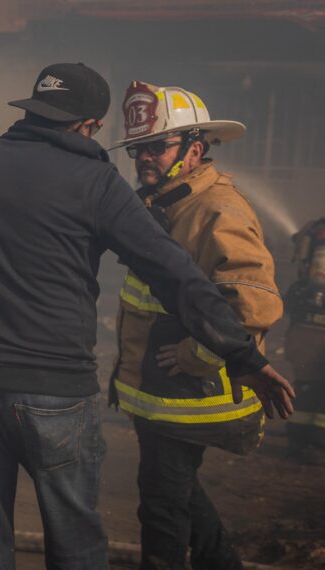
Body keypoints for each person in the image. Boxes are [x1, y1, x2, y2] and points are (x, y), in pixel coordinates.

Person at [0, 63, 296, 569]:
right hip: (53, 392)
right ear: (92, 126)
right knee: (74, 539)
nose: (142, 158)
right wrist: (241, 354)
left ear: (33, 109)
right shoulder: (96, 183)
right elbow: (175, 276)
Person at [110, 81, 284, 569]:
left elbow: (254, 306)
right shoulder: (167, 203)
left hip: (190, 398)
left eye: (157, 146)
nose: (144, 158)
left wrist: (199, 354)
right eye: (138, 148)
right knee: (181, 496)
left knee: (162, 510)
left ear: (195, 148)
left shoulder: (215, 210)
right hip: (163, 396)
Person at [284, 218, 325, 465]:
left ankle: (298, 441)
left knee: (306, 385)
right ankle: (317, 444)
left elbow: (297, 244)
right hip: (311, 325)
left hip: (304, 326)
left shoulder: (313, 229)